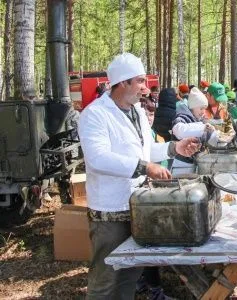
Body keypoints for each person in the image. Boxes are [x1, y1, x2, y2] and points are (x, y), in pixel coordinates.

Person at [78, 53, 200, 299]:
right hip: (110, 212)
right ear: (123, 82)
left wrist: (173, 147)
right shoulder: (94, 115)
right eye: (141, 81)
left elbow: (144, 150)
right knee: (106, 278)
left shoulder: (137, 112)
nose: (146, 87)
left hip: (139, 206)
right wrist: (145, 167)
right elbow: (98, 159)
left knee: (131, 273)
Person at [171, 87, 216, 175]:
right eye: (201, 108)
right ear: (193, 106)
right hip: (180, 163)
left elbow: (205, 137)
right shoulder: (182, 117)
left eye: (205, 108)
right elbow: (179, 131)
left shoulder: (197, 119)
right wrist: (202, 127)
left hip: (191, 162)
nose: (203, 111)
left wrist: (215, 135)